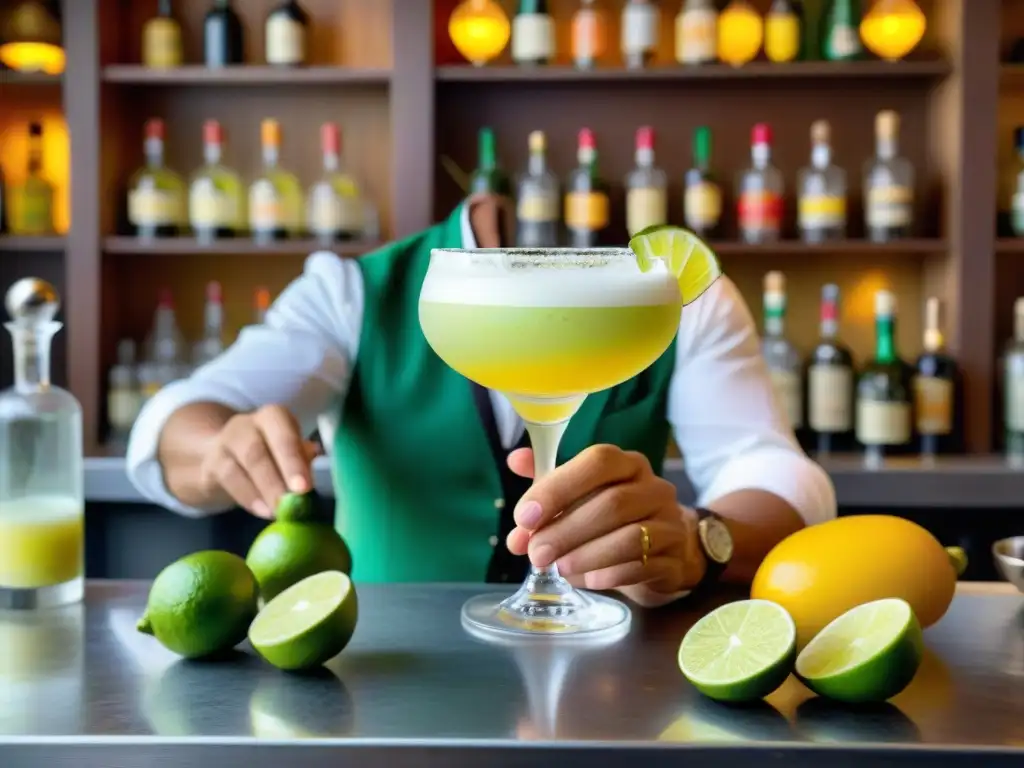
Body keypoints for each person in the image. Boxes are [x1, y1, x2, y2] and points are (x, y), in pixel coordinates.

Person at [126, 196, 836, 607]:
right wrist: (219, 448)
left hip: (609, 685)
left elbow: (776, 472)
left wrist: (699, 540)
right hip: (385, 681)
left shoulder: (675, 297)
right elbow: (182, 415)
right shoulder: (354, 291)